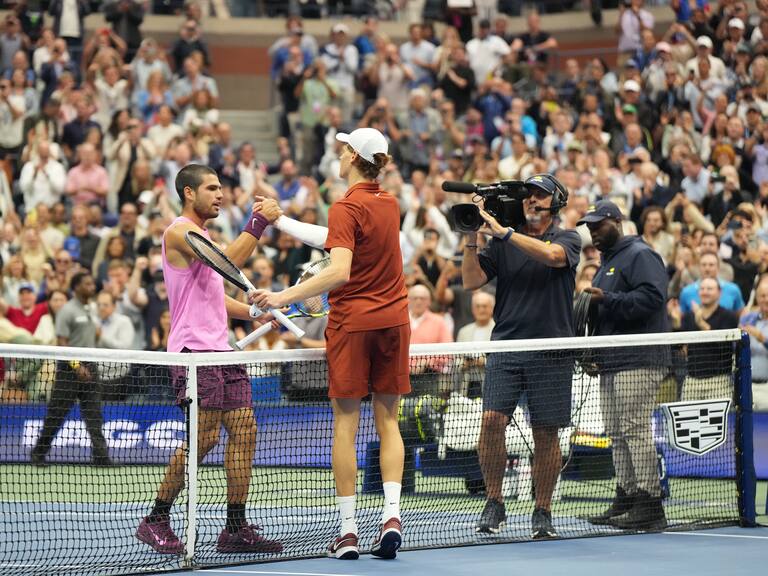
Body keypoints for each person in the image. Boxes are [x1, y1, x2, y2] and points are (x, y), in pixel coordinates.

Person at [252, 128, 409, 560]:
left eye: (343, 150)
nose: (338, 155)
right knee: (389, 422)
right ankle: (392, 518)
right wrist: (280, 220)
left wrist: (282, 296)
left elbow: (339, 269)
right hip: (395, 322)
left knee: (345, 425)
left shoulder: (345, 205)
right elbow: (334, 237)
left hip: (353, 324)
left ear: (355, 156)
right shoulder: (389, 204)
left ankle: (348, 532)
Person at [135, 164, 283, 555]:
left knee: (245, 429)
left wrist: (254, 313)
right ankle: (156, 519)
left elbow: (215, 295)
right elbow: (230, 266)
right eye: (212, 188)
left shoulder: (202, 236)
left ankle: (234, 527)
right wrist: (258, 222)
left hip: (222, 350)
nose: (220, 194)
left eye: (221, 188)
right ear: (188, 192)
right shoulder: (179, 232)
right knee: (204, 438)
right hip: (193, 353)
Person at [460, 173, 580, 538]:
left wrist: (505, 233)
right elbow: (470, 281)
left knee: (546, 434)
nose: (532, 200)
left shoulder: (567, 238)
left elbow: (551, 257)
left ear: (555, 202)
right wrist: (471, 236)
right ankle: (494, 501)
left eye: (541, 196)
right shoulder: (501, 240)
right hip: (507, 346)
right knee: (491, 422)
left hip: (552, 348)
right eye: (528, 195)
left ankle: (542, 510)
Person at [578, 200, 669, 531]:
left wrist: (608, 299)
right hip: (613, 360)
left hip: (640, 357)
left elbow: (654, 297)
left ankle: (650, 502)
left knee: (633, 428)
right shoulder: (607, 262)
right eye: (589, 227)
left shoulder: (640, 254)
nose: (593, 232)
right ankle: (627, 497)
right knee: (617, 432)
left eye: (599, 225)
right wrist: (594, 354)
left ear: (616, 221)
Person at [30, 272, 112, 466]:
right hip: (70, 370)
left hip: (91, 366)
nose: (92, 286)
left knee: (94, 414)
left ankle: (101, 457)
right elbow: (62, 344)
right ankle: (37, 454)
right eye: (87, 284)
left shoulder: (90, 308)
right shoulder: (66, 310)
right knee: (56, 414)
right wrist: (77, 367)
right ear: (76, 287)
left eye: (92, 283)